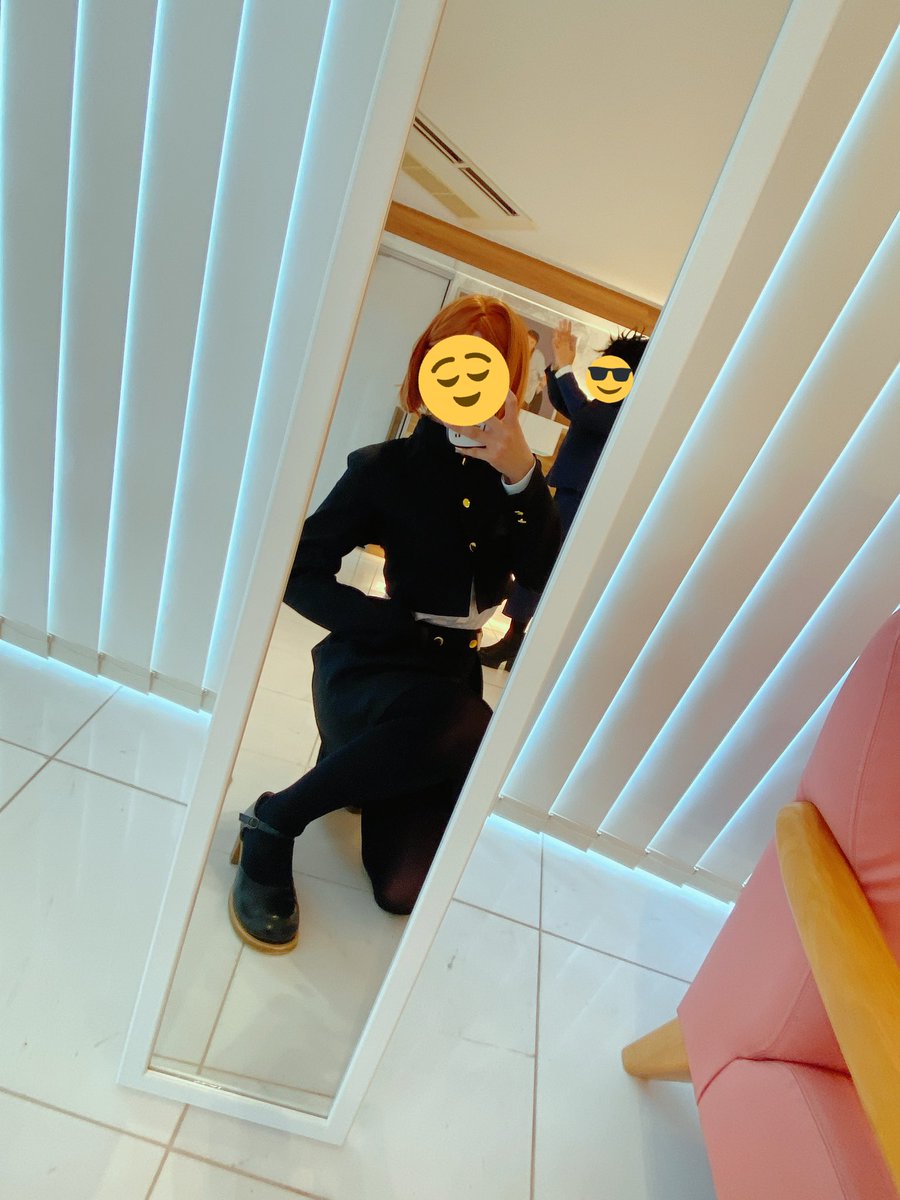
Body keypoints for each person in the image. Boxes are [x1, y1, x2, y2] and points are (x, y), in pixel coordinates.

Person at [228, 295, 561, 952]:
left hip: (447, 687)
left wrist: (523, 475)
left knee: (402, 890)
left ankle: (362, 771)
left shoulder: (515, 482)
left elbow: (543, 573)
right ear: (425, 367)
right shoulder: (383, 470)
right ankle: (274, 820)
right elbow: (296, 568)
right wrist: (379, 621)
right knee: (471, 726)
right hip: (373, 667)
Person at [479, 319, 648, 670]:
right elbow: (568, 405)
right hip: (573, 493)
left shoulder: (628, 407)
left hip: (582, 498)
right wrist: (559, 364)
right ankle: (516, 639)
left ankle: (517, 641)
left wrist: (567, 366)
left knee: (544, 561)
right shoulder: (613, 402)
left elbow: (583, 416)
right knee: (541, 558)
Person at [524, 329, 547, 413]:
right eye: (527, 340)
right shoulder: (519, 351)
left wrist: (540, 387)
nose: (528, 344)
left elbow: (544, 379)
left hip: (530, 394)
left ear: (535, 344)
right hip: (517, 391)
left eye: (532, 342)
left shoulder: (538, 356)